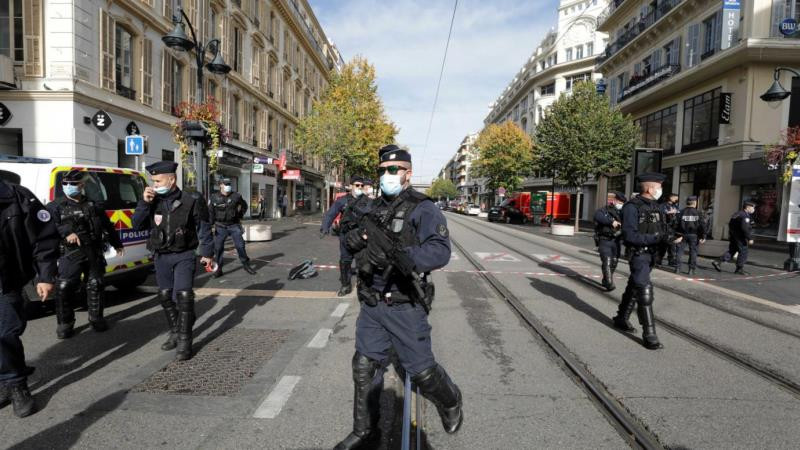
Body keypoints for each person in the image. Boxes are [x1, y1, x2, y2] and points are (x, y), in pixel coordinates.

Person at [334, 145, 462, 449]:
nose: (386, 176)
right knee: (364, 366)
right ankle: (366, 430)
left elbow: (440, 250)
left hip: (404, 304)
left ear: (408, 173)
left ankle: (451, 400)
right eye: (382, 171)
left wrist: (402, 257)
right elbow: (350, 237)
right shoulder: (373, 207)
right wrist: (354, 240)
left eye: (393, 170)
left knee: (421, 372)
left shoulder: (422, 207)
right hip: (372, 302)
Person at [132, 161, 214, 361]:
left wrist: (206, 253)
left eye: (158, 180)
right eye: (153, 181)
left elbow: (203, 228)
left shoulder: (192, 199)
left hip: (184, 254)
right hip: (161, 255)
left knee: (184, 296)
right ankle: (176, 331)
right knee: (165, 296)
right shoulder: (152, 201)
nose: (154, 184)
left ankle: (185, 341)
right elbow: (136, 225)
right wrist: (144, 203)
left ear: (171, 179)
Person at [0, 179, 58, 417]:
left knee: (5, 334)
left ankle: (16, 384)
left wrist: (45, 276)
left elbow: (44, 238)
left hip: (6, 280)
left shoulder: (16, 196)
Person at [46, 170, 125, 338]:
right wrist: (66, 233)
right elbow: (47, 227)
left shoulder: (93, 205)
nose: (68, 187)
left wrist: (117, 244)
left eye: (73, 184)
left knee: (96, 284)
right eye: (65, 184)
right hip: (70, 253)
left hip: (93, 250)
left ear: (82, 185)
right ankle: (65, 323)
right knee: (65, 286)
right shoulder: (55, 206)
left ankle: (96, 318)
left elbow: (107, 226)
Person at [612, 173, 682, 350]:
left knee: (634, 284)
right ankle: (649, 334)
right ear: (651, 189)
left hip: (653, 254)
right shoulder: (631, 207)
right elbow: (629, 235)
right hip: (639, 253)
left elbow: (660, 229)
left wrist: (669, 237)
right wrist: (656, 238)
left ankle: (621, 318)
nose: (660, 190)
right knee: (644, 290)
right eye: (659, 187)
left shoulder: (656, 207)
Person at [321, 175, 371, 296]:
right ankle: (346, 285)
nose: (359, 187)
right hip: (346, 236)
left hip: (362, 237)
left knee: (363, 262)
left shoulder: (369, 202)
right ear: (351, 186)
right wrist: (325, 227)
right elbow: (330, 214)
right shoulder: (342, 200)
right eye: (357, 185)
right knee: (345, 261)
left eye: (361, 185)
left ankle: (364, 287)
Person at [209, 179, 256, 278]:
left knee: (240, 246)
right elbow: (211, 212)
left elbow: (244, 206)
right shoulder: (214, 197)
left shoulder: (236, 196)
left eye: (229, 184)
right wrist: (210, 225)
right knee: (218, 249)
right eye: (226, 184)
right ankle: (218, 269)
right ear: (221, 185)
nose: (228, 186)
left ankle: (246, 264)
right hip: (220, 226)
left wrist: (240, 215)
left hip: (234, 225)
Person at [594, 191, 626, 291]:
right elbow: (597, 217)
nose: (620, 204)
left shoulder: (623, 212)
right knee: (607, 261)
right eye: (619, 201)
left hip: (616, 241)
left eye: (622, 202)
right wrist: (611, 222)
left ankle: (606, 279)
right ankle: (609, 283)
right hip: (605, 240)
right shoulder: (604, 210)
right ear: (614, 200)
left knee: (614, 262)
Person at [712, 201, 755, 275]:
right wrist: (749, 238)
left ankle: (718, 261)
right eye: (753, 208)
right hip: (740, 237)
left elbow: (730, 224)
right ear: (748, 207)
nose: (753, 209)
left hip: (733, 236)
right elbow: (744, 228)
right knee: (743, 251)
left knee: (732, 250)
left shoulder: (737, 214)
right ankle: (739, 268)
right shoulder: (744, 216)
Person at [676, 196, 706, 275]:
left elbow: (675, 224)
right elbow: (702, 225)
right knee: (693, 252)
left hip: (682, 234)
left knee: (679, 251)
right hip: (694, 235)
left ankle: (677, 268)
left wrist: (675, 234)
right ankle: (691, 269)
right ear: (695, 203)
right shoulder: (698, 213)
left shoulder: (681, 212)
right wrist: (703, 236)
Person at [657, 193, 680, 269]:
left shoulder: (675, 206)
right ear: (670, 198)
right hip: (663, 228)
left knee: (672, 246)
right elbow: (659, 215)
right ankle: (658, 260)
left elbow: (678, 215)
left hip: (672, 229)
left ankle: (671, 261)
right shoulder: (662, 206)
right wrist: (668, 213)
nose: (677, 200)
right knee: (662, 246)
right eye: (675, 198)